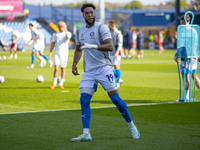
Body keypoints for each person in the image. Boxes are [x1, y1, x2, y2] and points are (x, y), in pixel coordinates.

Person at [71, 3, 140, 142]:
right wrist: (74, 64)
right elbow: (78, 49)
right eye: (87, 13)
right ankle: (86, 133)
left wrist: (92, 46)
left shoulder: (101, 27)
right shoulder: (80, 31)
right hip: (89, 71)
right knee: (84, 99)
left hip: (104, 67)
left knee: (115, 99)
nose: (90, 15)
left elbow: (109, 46)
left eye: (92, 12)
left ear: (94, 13)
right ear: (83, 15)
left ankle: (131, 126)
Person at [174, 15, 200, 100]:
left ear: (188, 22)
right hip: (193, 56)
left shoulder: (182, 32)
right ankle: (187, 96)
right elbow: (197, 43)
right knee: (193, 75)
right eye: (181, 23)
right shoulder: (194, 30)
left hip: (185, 56)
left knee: (186, 76)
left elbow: (180, 44)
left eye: (183, 23)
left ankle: (186, 97)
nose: (182, 25)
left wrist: (176, 54)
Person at [49, 21, 72, 89]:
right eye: (59, 26)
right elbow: (53, 43)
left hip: (64, 54)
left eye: (62, 26)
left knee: (63, 69)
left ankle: (61, 84)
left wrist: (65, 29)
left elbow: (68, 37)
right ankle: (54, 83)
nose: (60, 27)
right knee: (56, 68)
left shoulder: (67, 33)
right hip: (57, 54)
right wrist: (50, 52)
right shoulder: (56, 34)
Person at [108, 20, 123, 88]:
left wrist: (117, 53)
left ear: (113, 25)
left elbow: (120, 44)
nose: (109, 26)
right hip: (110, 52)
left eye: (110, 25)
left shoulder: (118, 33)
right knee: (110, 68)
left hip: (116, 53)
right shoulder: (110, 33)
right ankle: (116, 79)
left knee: (116, 66)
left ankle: (117, 82)